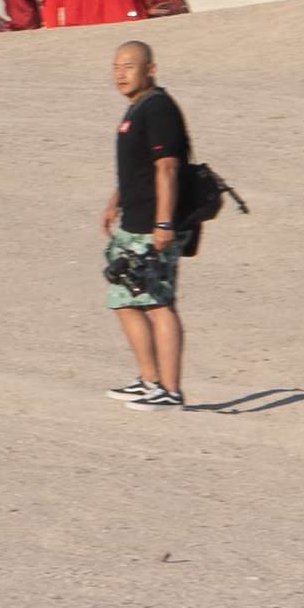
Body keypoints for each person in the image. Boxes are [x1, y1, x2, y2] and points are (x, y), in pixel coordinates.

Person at [103, 40, 190, 408]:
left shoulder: (157, 108)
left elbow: (167, 167)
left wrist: (165, 223)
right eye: (116, 67)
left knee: (158, 303)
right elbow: (137, 167)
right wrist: (115, 202)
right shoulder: (136, 108)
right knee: (124, 300)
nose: (120, 74)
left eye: (129, 66)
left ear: (150, 69)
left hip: (155, 224)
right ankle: (149, 380)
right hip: (134, 222)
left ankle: (169, 390)